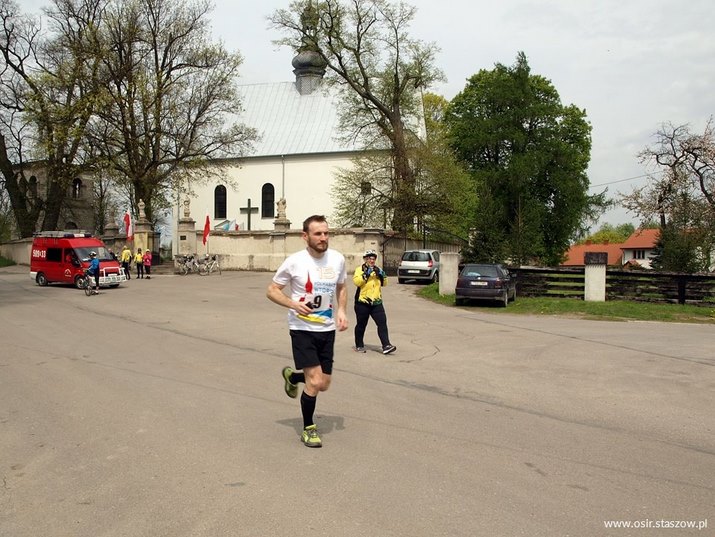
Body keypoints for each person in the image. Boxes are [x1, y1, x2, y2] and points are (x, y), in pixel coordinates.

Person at [266, 215, 348, 448]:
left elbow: (342, 286)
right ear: (305, 236)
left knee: (324, 383)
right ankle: (308, 428)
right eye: (318, 234)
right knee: (314, 382)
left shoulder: (338, 260)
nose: (323, 238)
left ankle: (293, 376)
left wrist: (342, 311)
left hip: (327, 328)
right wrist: (293, 304)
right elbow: (272, 290)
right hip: (302, 328)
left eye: (326, 233)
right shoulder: (295, 262)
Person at [353, 249, 396, 355]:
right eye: (369, 258)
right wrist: (366, 275)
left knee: (382, 323)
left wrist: (382, 275)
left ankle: (386, 345)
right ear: (365, 259)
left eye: (373, 258)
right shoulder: (360, 269)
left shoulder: (377, 269)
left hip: (376, 302)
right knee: (361, 324)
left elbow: (384, 283)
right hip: (362, 302)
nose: (372, 260)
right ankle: (359, 344)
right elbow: (357, 282)